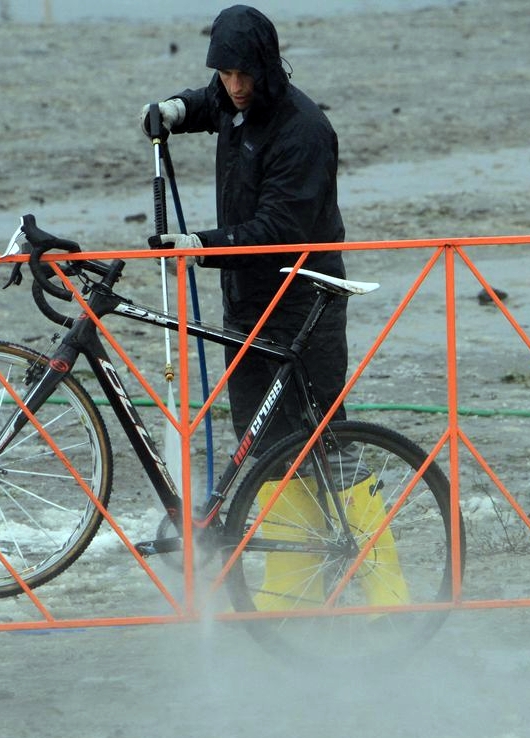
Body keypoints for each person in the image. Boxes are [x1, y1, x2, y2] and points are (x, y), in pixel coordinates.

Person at [141, 5, 408, 612]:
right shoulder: (234, 102)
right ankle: (290, 602)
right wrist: (179, 111)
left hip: (302, 306)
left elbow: (278, 231)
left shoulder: (304, 131)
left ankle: (392, 597)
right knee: (261, 452)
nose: (233, 86)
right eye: (224, 73)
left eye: (243, 74)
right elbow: (213, 103)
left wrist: (198, 246)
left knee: (326, 447)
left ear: (267, 66)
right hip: (247, 305)